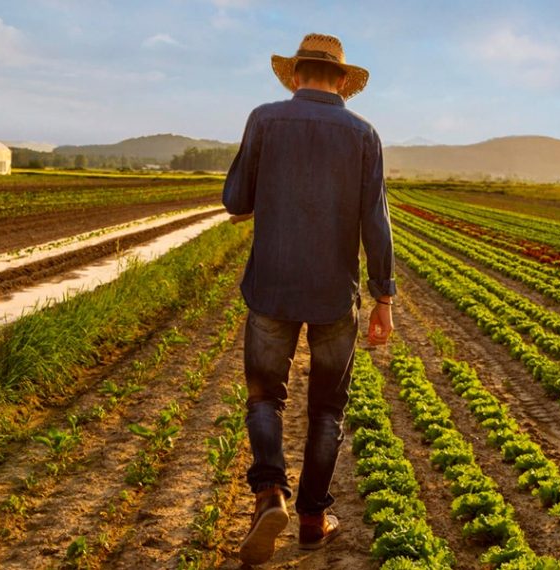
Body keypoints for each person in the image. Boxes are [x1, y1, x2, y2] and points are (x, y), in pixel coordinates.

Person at [222, 32, 396, 565]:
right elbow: (376, 223)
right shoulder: (364, 134)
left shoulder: (264, 119)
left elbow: (235, 201)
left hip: (271, 287)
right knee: (327, 409)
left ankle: (269, 493)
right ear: (343, 81)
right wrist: (383, 297)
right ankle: (313, 520)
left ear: (295, 75)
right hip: (332, 297)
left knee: (264, 397)